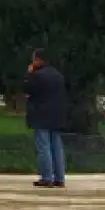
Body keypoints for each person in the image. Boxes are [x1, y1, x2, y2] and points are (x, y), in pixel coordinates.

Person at [24, 48, 67, 189]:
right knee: (56, 146)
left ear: (38, 60)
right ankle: (59, 177)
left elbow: (27, 88)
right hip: (57, 114)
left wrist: (29, 74)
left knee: (43, 146)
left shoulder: (37, 75)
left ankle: (47, 177)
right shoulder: (58, 75)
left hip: (41, 114)